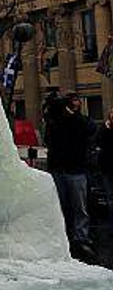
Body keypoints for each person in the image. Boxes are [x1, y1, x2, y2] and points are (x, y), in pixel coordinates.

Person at [44, 90, 98, 261]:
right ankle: (64, 236)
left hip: (76, 170)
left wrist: (72, 114)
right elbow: (49, 139)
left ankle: (81, 238)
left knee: (79, 207)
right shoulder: (55, 121)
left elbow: (91, 129)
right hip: (58, 169)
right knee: (60, 206)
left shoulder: (80, 120)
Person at [98, 108, 113, 236]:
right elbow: (101, 143)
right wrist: (107, 129)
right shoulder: (104, 129)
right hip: (107, 169)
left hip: (107, 168)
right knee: (110, 199)